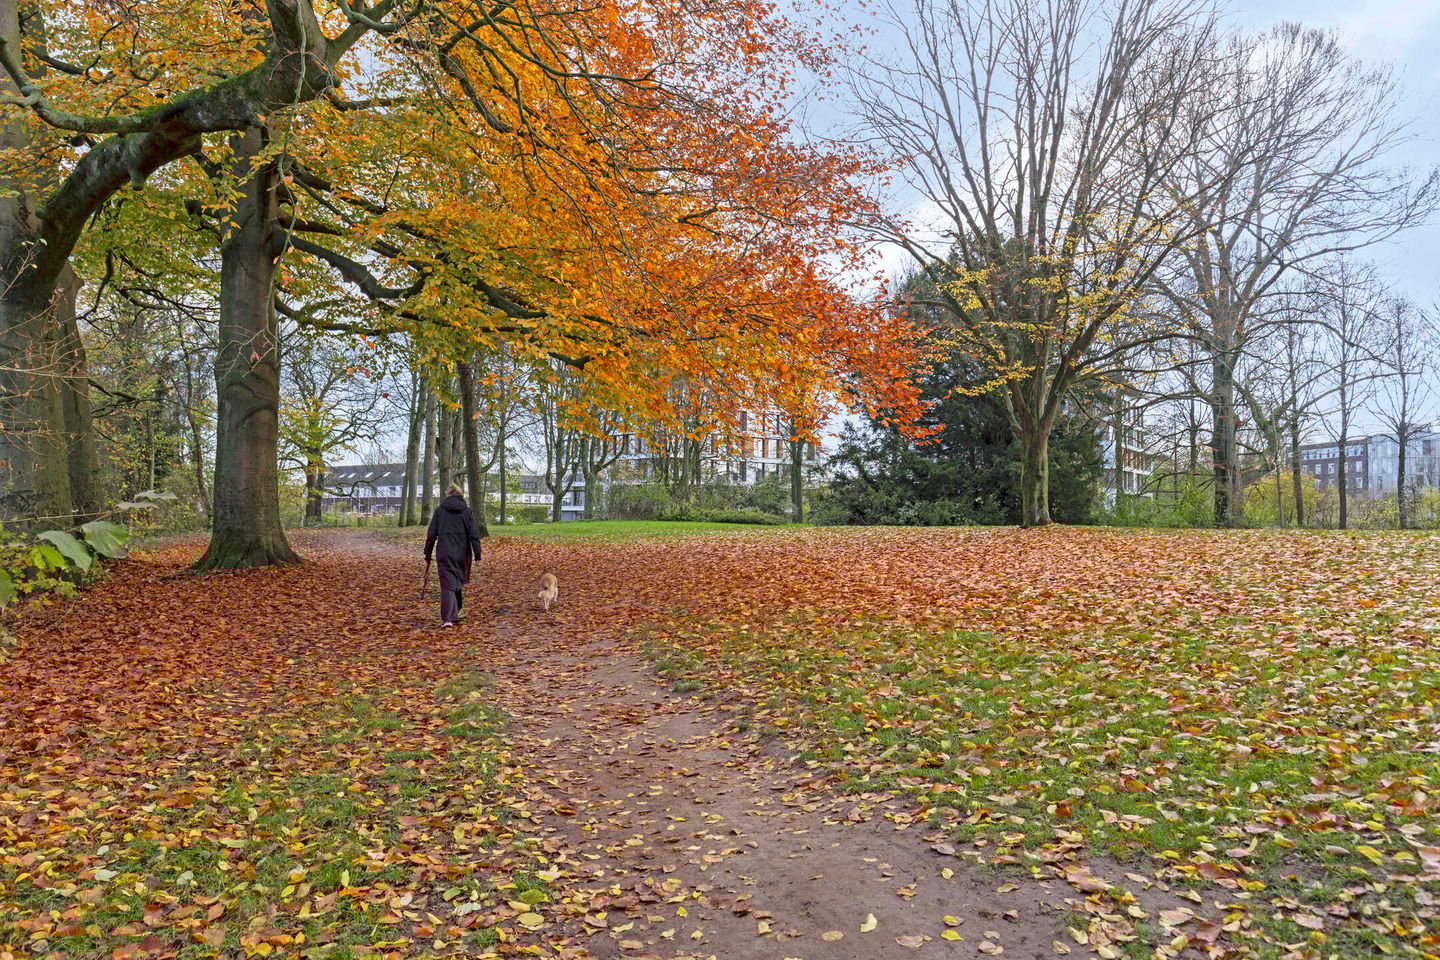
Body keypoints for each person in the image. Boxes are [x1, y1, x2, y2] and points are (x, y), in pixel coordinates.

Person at [424, 483, 482, 627]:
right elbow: (474, 534)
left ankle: (448, 619)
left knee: (447, 584)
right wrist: (477, 553)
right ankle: (454, 613)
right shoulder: (466, 512)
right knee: (455, 582)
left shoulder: (439, 511)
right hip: (462, 553)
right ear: (460, 495)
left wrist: (428, 552)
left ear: (448, 495)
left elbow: (431, 535)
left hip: (444, 552)